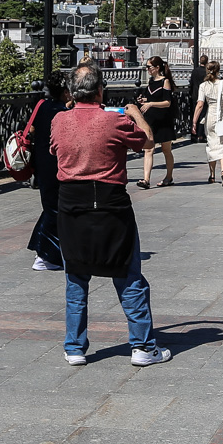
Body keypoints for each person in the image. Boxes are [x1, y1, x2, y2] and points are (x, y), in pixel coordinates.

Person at [52, 63, 170, 367]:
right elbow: (147, 142)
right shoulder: (114, 121)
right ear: (101, 91)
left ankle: (74, 347)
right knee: (128, 275)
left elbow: (55, 150)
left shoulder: (59, 121)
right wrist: (136, 115)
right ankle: (143, 345)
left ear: (72, 93)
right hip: (110, 204)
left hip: (71, 204)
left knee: (76, 276)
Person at [28, 71, 69, 270]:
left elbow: (31, 130)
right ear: (65, 92)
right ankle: (45, 255)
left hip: (40, 162)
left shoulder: (42, 105)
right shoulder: (62, 113)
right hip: (56, 163)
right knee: (55, 208)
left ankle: (44, 251)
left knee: (51, 206)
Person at [192, 59, 223, 186]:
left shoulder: (203, 86)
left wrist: (194, 122)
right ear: (218, 71)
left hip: (210, 117)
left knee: (212, 145)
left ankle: (212, 175)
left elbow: (200, 104)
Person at [135, 56, 178, 189]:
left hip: (163, 120)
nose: (147, 69)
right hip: (150, 120)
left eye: (149, 67)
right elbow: (151, 97)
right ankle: (146, 179)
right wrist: (144, 100)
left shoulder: (165, 82)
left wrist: (151, 103)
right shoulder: (151, 81)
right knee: (149, 148)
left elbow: (167, 102)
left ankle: (169, 176)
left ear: (157, 68)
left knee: (166, 149)